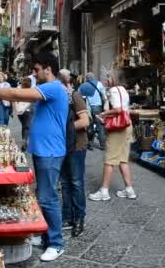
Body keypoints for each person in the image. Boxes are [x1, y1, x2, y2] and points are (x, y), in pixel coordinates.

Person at [0, 52, 68, 262]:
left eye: (37, 70)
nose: (34, 74)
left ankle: (56, 243)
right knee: (43, 194)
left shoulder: (53, 87)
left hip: (50, 151)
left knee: (49, 197)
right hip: (43, 149)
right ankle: (46, 234)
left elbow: (19, 94)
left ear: (48, 68)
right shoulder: (50, 88)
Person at [88, 70, 137, 201]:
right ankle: (129, 189)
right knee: (122, 159)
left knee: (109, 159)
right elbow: (123, 109)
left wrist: (104, 114)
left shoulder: (114, 90)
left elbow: (118, 109)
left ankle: (104, 191)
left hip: (117, 128)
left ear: (115, 78)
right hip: (127, 125)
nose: (106, 79)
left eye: (109, 77)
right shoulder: (123, 90)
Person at [58, 69, 90, 237]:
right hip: (62, 146)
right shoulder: (58, 98)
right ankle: (68, 216)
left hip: (77, 144)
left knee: (76, 181)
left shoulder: (74, 96)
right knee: (64, 182)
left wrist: (64, 129)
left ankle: (79, 218)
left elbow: (85, 120)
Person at [78, 72, 107, 150]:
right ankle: (102, 144)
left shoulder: (82, 86)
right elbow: (104, 95)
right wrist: (106, 104)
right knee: (100, 125)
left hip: (87, 107)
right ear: (93, 77)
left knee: (89, 125)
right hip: (97, 106)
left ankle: (90, 144)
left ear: (86, 78)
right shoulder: (99, 84)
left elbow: (79, 97)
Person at [14, 77, 33, 151]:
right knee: (26, 126)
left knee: (24, 126)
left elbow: (14, 99)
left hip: (20, 111)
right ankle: (24, 139)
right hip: (26, 110)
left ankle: (24, 140)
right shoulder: (30, 90)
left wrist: (16, 109)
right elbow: (30, 101)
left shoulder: (18, 88)